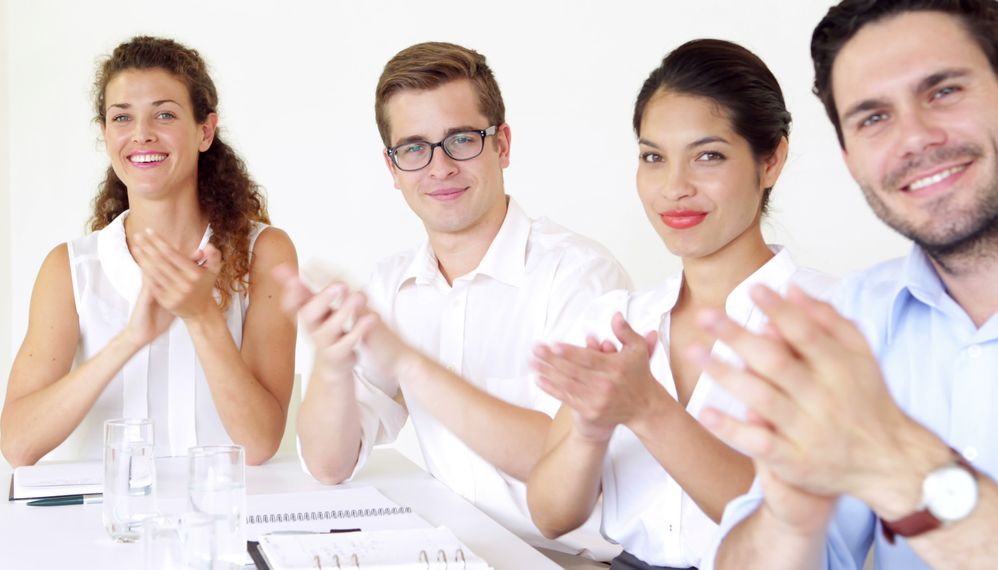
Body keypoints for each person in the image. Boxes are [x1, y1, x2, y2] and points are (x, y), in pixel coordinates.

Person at [699, 1, 998, 568]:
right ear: (851, 159)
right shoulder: (847, 322)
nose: (915, 138)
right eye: (874, 117)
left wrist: (910, 473)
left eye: (943, 91)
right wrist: (789, 512)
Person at [275, 42, 628, 558]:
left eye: (461, 140)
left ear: (502, 145)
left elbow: (568, 462)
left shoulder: (580, 277)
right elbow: (330, 465)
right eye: (414, 148)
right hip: (457, 551)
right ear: (393, 169)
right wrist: (332, 362)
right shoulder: (392, 285)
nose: (439, 168)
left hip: (568, 561)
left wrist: (408, 363)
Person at [525, 39, 834, 570]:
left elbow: (791, 531)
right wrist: (590, 427)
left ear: (772, 160)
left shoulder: (830, 318)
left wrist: (647, 409)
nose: (674, 187)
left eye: (708, 156)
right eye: (653, 158)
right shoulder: (619, 320)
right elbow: (551, 516)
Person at [0, 36, 297, 467]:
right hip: (109, 524)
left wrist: (201, 316)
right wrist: (130, 340)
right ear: (105, 134)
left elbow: (259, 443)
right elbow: (17, 444)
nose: (141, 135)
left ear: (204, 131)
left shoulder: (265, 252)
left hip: (226, 517)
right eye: (122, 117)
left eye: (164, 114)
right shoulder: (71, 268)